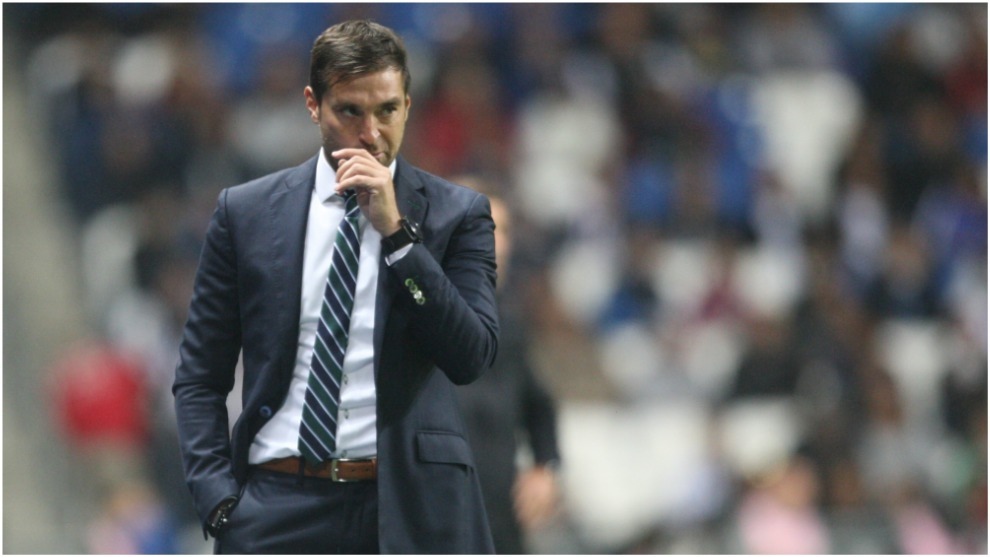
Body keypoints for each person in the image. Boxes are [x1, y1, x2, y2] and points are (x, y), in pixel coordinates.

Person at [172, 20, 499, 554]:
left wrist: (399, 237)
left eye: (387, 110)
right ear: (313, 105)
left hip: (412, 506)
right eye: (350, 111)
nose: (371, 133)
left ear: (408, 105)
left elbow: (470, 357)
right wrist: (217, 498)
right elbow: (200, 376)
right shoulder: (246, 213)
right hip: (278, 502)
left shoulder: (457, 215)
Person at [454, 179, 562, 554]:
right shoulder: (408, 321)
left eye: (501, 231)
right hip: (430, 526)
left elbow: (540, 406)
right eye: (478, 228)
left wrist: (545, 468)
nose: (494, 244)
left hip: (498, 526)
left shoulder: (509, 329)